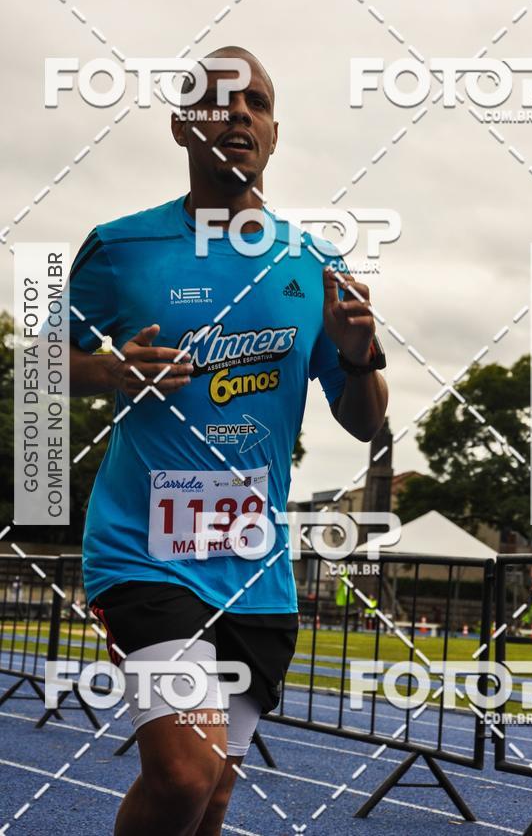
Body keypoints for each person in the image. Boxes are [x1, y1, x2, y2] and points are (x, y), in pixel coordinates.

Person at [68, 46, 388, 836]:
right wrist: (109, 370)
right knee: (183, 773)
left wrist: (358, 355)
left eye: (258, 103)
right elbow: (38, 365)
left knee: (211, 799)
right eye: (217, 99)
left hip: (255, 571)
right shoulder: (119, 248)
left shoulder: (314, 264)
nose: (239, 113)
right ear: (182, 126)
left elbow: (365, 420)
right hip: (144, 553)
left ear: (275, 133)